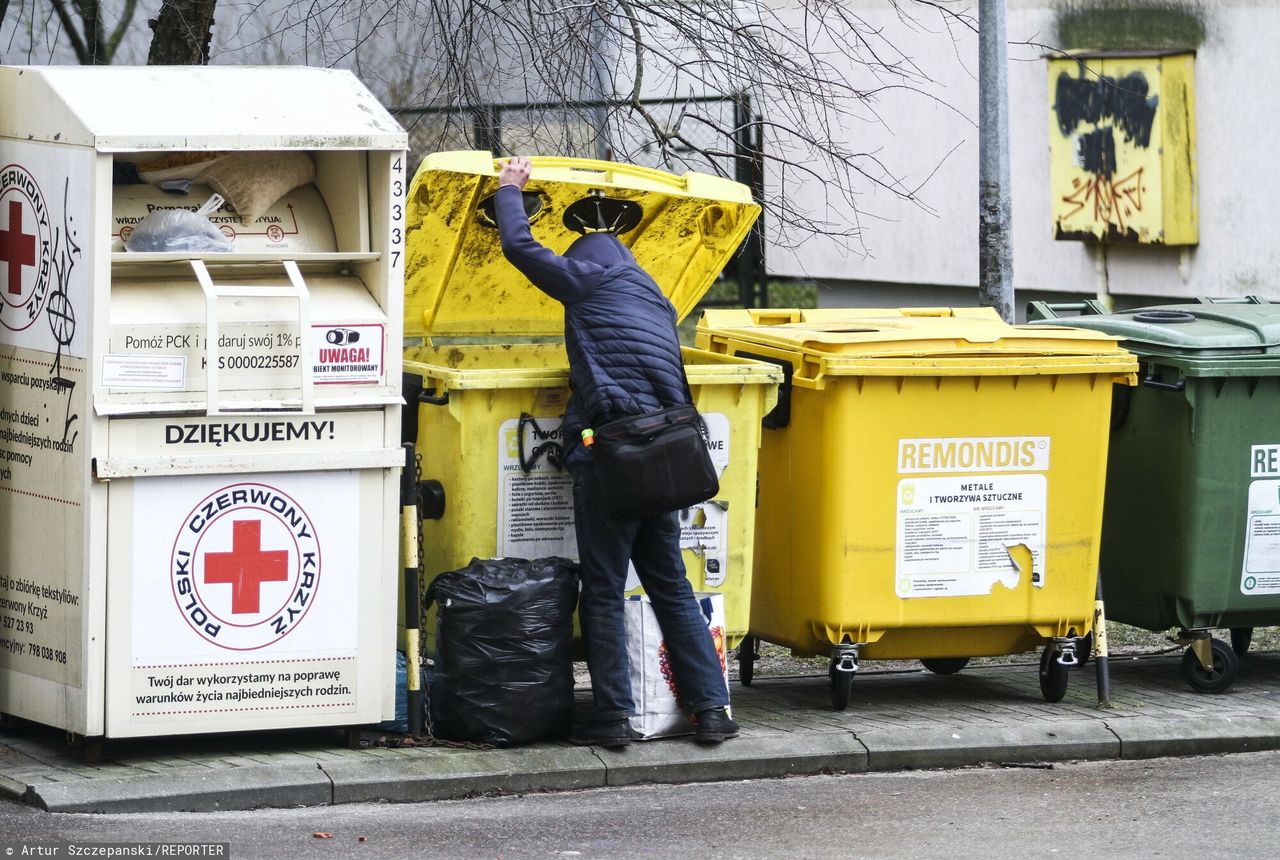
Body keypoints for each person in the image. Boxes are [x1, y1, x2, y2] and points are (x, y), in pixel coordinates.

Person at [494, 155, 738, 747]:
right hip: (667, 460)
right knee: (671, 586)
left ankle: (613, 720)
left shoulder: (588, 279)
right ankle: (712, 711)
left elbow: (523, 251)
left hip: (615, 458)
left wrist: (509, 192)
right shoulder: (654, 299)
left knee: (602, 590)